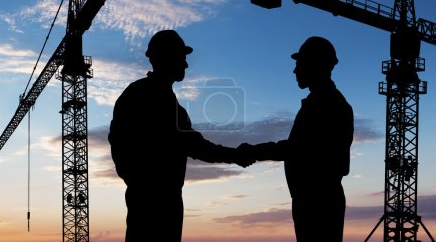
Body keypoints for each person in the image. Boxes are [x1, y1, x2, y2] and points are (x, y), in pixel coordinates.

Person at [108, 29, 254, 242]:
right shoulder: (151, 98)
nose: (185, 64)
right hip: (156, 202)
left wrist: (135, 180)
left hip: (153, 197)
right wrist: (237, 155)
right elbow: (194, 146)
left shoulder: (145, 95)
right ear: (165, 57)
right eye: (181, 58)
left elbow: (118, 141)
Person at [239, 36, 354, 242]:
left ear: (315, 65)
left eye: (299, 64)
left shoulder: (327, 105)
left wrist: (253, 151)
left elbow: (296, 149)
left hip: (318, 202)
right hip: (315, 199)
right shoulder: (323, 103)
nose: (295, 71)